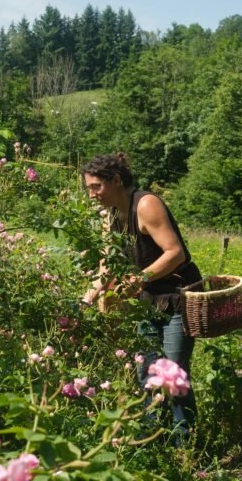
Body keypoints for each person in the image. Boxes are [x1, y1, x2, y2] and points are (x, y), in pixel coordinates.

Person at [80, 152, 202, 444]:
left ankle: (185, 446)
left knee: (173, 375)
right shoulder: (109, 217)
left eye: (96, 187)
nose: (92, 194)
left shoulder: (146, 205)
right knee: (146, 373)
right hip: (145, 303)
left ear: (117, 180)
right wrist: (86, 300)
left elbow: (176, 253)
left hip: (177, 299)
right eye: (88, 188)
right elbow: (107, 265)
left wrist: (139, 279)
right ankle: (153, 441)